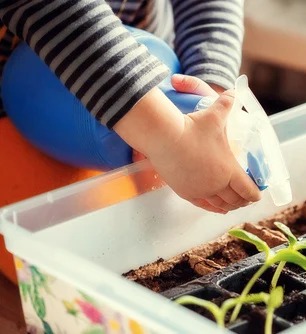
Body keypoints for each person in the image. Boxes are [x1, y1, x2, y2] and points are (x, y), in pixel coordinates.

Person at [0, 0, 261, 283]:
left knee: (160, 233)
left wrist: (207, 99)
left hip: (152, 74)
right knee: (55, 266)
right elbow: (53, 11)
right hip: (28, 94)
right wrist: (168, 136)